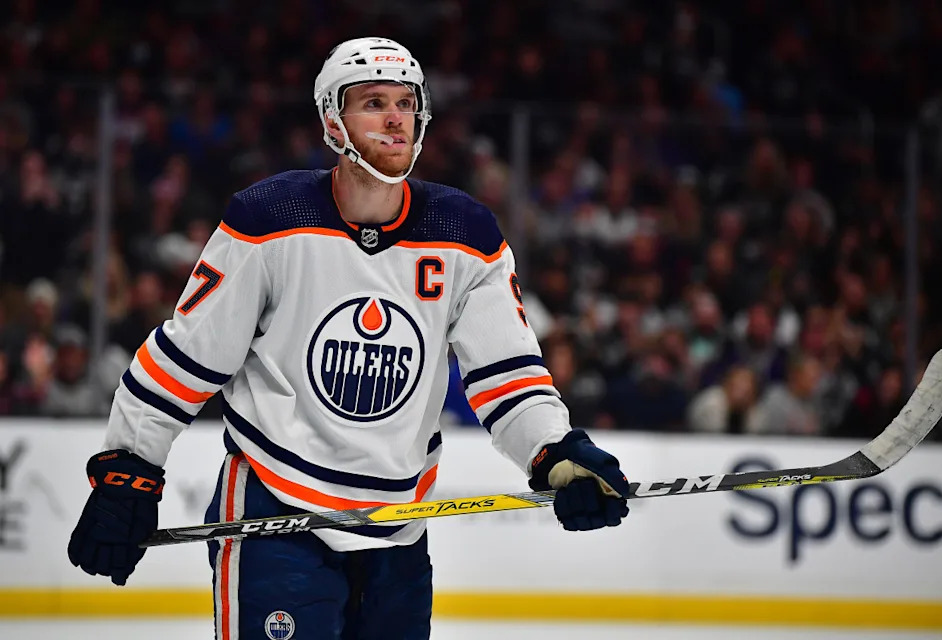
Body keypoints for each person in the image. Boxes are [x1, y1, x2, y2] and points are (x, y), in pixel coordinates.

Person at [67, 37, 630, 639]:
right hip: (275, 513)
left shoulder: (466, 235)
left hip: (399, 528)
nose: (395, 118)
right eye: (373, 102)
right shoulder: (267, 220)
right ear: (332, 120)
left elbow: (507, 376)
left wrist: (555, 452)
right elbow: (186, 356)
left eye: (406, 103)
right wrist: (130, 465)